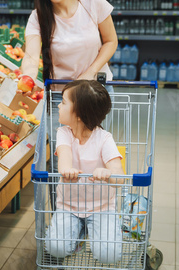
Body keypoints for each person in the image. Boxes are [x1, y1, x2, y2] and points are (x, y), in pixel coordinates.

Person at [45, 80, 124, 264]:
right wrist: (67, 170)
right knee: (55, 248)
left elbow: (119, 177)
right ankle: (80, 233)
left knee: (109, 256)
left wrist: (108, 174)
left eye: (64, 102)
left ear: (79, 114)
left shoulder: (104, 139)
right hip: (69, 206)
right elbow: (63, 161)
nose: (58, 104)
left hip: (101, 207)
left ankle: (97, 229)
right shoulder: (63, 133)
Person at [20, 0, 118, 89]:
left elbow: (111, 41)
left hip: (96, 92)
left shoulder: (91, 1)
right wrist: (28, 76)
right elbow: (31, 57)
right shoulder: (37, 17)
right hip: (61, 95)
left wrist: (91, 72)